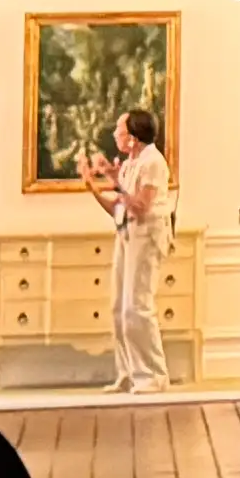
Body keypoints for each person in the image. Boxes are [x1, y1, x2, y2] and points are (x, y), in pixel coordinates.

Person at [90, 105, 171, 391]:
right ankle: (128, 372)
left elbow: (141, 206)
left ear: (134, 137)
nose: (115, 134)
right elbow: (118, 208)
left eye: (121, 131)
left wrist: (115, 183)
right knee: (118, 307)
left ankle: (153, 375)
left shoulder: (152, 162)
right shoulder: (129, 164)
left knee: (137, 307)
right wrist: (93, 186)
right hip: (126, 233)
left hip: (146, 235)